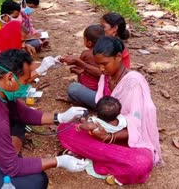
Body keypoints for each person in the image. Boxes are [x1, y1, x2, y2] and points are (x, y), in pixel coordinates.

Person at [0, 49, 89, 189]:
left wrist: (61, 117)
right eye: (25, 81)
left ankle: (6, 154)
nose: (26, 85)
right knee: (36, 181)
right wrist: (59, 161)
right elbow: (12, 168)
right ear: (9, 78)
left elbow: (22, 113)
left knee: (17, 122)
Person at [57, 36, 162, 185]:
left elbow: (137, 126)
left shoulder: (134, 82)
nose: (101, 69)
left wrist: (108, 137)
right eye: (99, 64)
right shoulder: (105, 77)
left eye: (105, 64)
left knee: (141, 163)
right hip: (104, 134)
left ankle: (91, 156)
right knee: (63, 129)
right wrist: (93, 127)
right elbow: (103, 114)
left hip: (129, 142)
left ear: (119, 57)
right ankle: (107, 159)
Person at [59, 25, 104, 109]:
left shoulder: (86, 53)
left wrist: (67, 60)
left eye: (84, 39)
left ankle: (82, 100)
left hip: (97, 92)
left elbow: (78, 63)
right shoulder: (106, 53)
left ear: (89, 42)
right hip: (101, 88)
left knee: (73, 88)